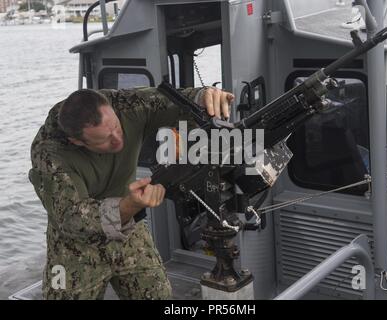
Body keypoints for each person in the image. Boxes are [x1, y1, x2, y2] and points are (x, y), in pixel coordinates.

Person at [29, 85, 234, 300]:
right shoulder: (48, 153)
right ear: (78, 142)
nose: (118, 140)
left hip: (129, 228)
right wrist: (129, 205)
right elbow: (71, 218)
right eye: (105, 140)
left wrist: (203, 97)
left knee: (158, 295)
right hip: (74, 246)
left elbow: (173, 100)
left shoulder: (124, 103)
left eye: (117, 128)